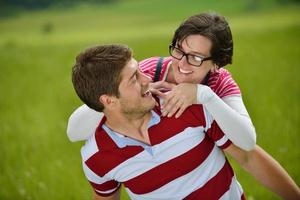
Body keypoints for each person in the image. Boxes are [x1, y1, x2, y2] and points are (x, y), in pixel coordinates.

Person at [71, 44, 300, 199]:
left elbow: (249, 157)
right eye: (134, 78)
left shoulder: (186, 107)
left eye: (140, 70)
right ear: (108, 100)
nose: (148, 79)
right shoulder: (96, 157)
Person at [67, 13, 256, 151]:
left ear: (216, 64)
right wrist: (140, 89)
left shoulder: (219, 83)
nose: (181, 63)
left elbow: (247, 142)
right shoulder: (148, 72)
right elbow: (74, 132)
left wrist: (203, 95)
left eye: (196, 58)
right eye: (179, 50)